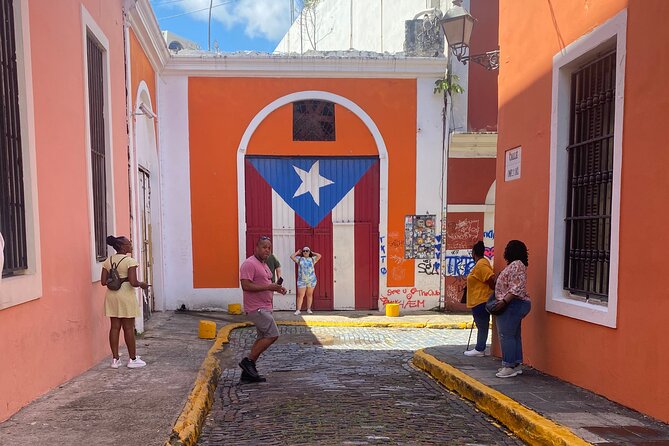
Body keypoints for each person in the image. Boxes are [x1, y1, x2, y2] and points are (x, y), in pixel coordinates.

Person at [239, 236, 287, 383]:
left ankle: (248, 373)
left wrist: (277, 288)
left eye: (269, 248)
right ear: (257, 248)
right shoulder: (249, 264)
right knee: (273, 334)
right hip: (256, 308)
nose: (267, 250)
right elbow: (246, 286)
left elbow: (266, 283)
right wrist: (268, 287)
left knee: (262, 338)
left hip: (265, 307)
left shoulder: (264, 265)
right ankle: (248, 361)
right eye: (264, 247)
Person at [101, 235, 149, 369]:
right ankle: (132, 359)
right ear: (122, 247)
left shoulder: (108, 261)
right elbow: (133, 282)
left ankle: (115, 360)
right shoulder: (130, 261)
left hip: (112, 297)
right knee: (128, 328)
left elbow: (103, 282)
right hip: (126, 296)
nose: (130, 245)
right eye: (128, 244)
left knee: (114, 327)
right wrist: (142, 284)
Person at [493, 240, 531, 378]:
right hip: (515, 304)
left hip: (512, 304)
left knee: (506, 335)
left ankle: (508, 365)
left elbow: (516, 287)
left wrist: (504, 301)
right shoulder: (518, 265)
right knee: (514, 335)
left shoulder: (516, 265)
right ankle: (515, 363)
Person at [464, 240, 495, 357]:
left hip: (481, 300)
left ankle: (479, 348)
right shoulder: (482, 263)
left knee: (482, 325)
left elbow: (490, 278)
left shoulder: (481, 264)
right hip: (479, 300)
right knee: (481, 325)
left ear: (473, 253)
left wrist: (493, 289)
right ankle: (479, 347)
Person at [290, 246, 321, 315]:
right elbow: (292, 256)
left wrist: (313, 253)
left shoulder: (312, 259)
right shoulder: (300, 259)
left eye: (307, 251)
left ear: (309, 252)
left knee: (309, 295)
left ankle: (308, 309)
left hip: (311, 280)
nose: (305, 252)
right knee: (300, 295)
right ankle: (298, 310)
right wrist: (297, 252)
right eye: (304, 251)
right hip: (301, 281)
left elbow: (319, 255)